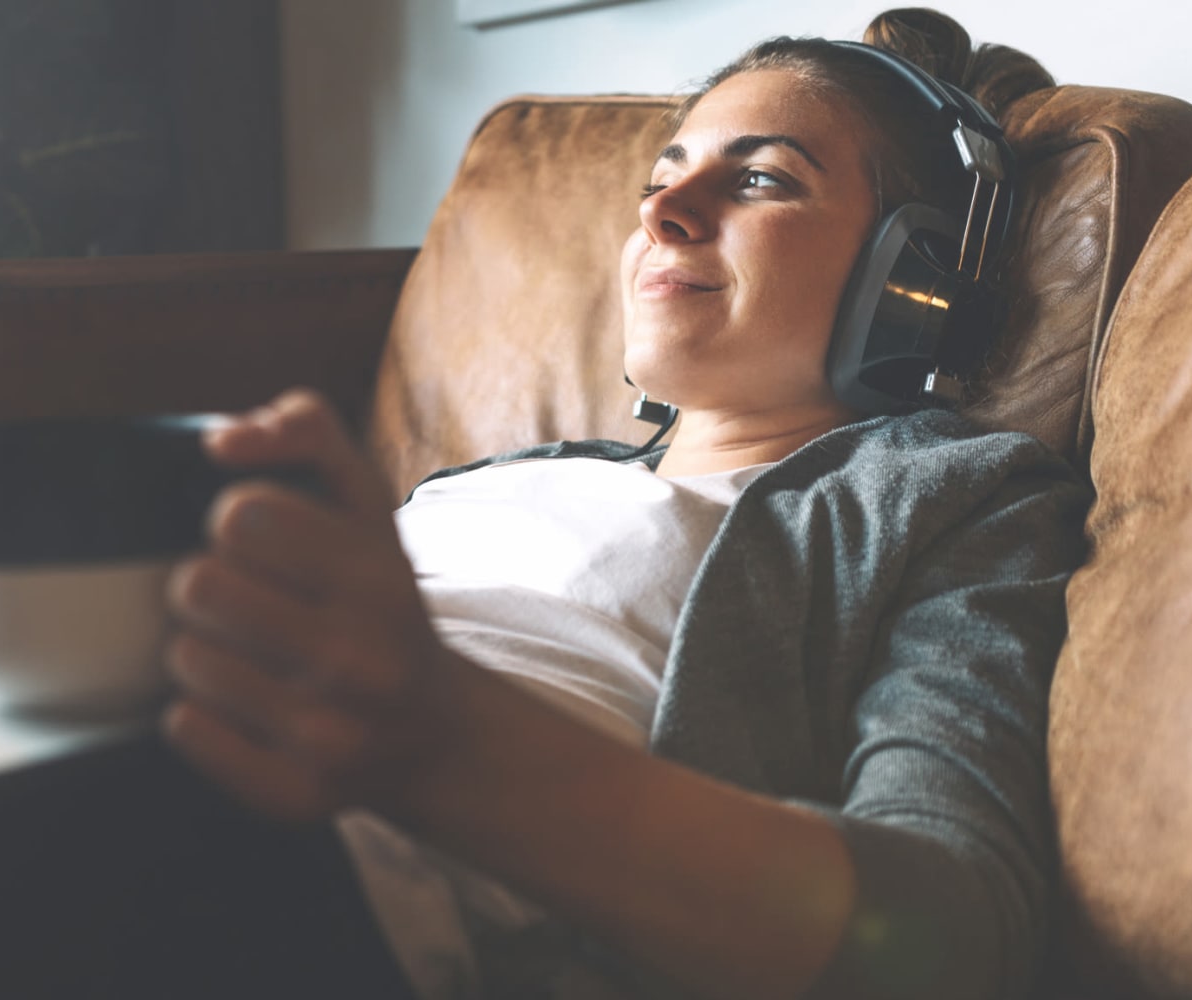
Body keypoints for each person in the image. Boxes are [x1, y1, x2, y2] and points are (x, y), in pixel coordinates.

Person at [160, 8, 1087, 1000]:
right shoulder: (495, 478)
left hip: (340, 879)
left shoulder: (954, 497)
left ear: (911, 281)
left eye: (761, 178)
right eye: (659, 177)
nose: (662, 213)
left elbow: (949, 936)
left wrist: (444, 741)